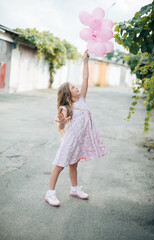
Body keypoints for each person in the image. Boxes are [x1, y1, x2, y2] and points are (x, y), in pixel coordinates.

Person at [45, 50, 108, 207]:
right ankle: (50, 193)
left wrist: (85, 62)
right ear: (68, 94)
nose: (77, 87)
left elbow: (85, 78)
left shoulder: (82, 100)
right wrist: (61, 122)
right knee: (60, 165)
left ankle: (74, 189)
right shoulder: (67, 107)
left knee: (74, 164)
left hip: (80, 141)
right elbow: (62, 123)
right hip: (70, 141)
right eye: (73, 87)